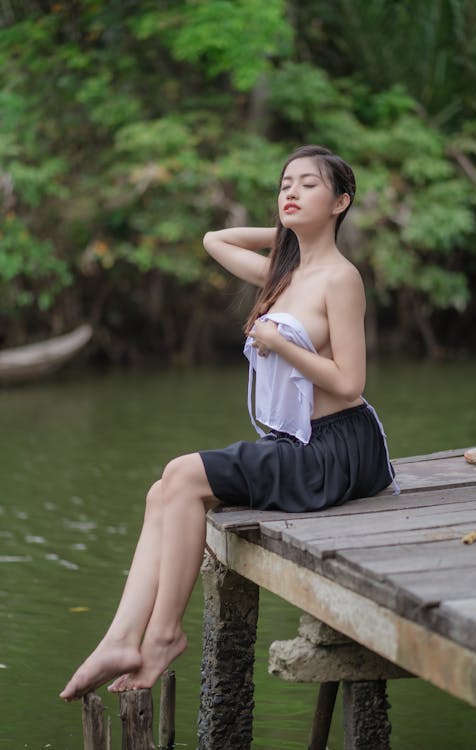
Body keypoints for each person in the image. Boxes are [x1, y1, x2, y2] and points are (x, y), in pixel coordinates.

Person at [60, 144, 397, 701]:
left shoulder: (342, 278)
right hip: (300, 442)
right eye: (285, 183)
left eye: (308, 185)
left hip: (336, 451)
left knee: (183, 475)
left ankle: (164, 635)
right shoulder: (283, 273)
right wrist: (288, 237)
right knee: (160, 492)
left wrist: (277, 343)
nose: (290, 192)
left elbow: (350, 383)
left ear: (341, 201)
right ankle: (122, 637)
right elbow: (214, 240)